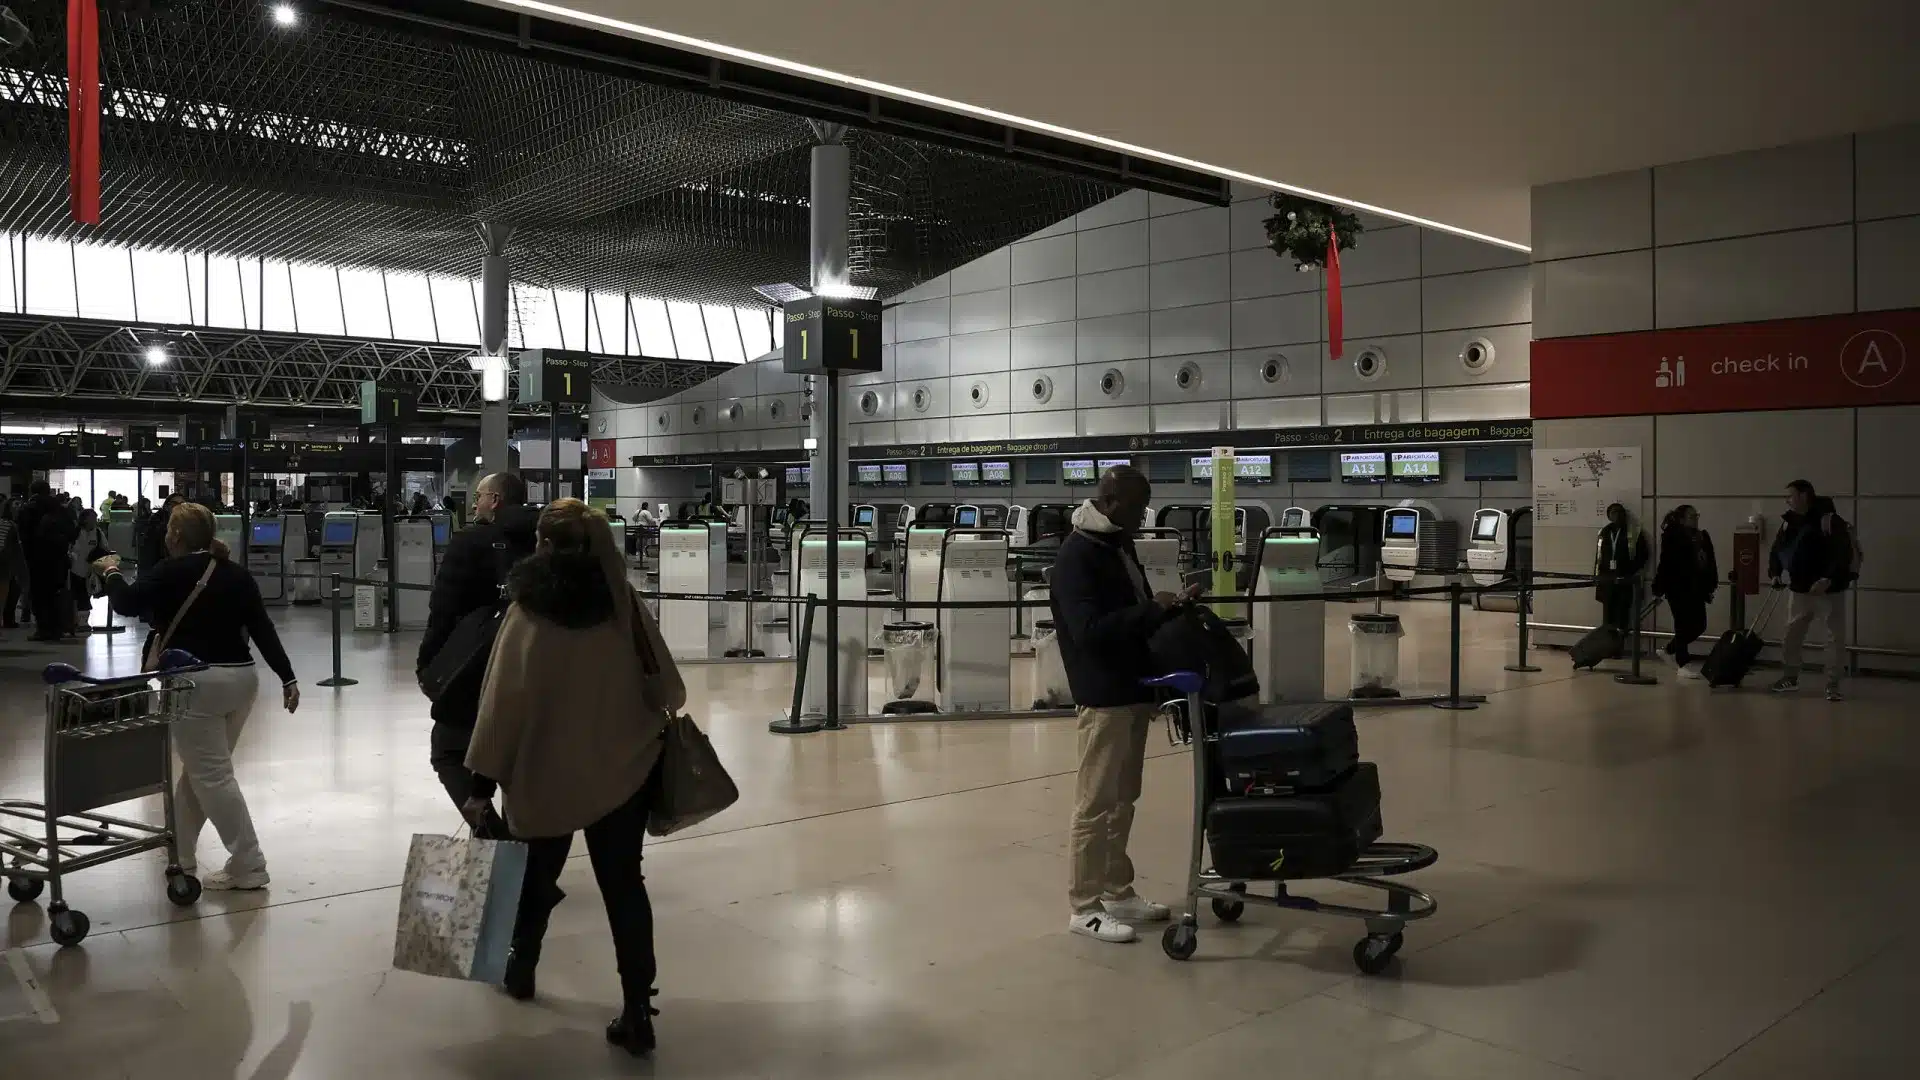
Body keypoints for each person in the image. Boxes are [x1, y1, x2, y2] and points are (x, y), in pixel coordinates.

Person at [463, 499, 681, 1055]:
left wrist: (479, 787)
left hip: (545, 776)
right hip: (622, 774)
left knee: (536, 877)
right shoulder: (622, 605)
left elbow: (500, 706)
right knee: (624, 888)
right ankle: (637, 1011)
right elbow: (670, 690)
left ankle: (522, 965)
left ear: (541, 545)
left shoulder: (527, 611)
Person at [97, 502, 299, 890]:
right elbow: (262, 629)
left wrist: (109, 572)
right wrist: (287, 677)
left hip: (195, 684)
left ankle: (249, 862)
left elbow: (125, 603)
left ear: (174, 535)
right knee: (202, 773)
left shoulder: (169, 572)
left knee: (212, 775)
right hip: (241, 681)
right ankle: (182, 855)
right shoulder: (236, 574)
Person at [1049, 466, 1199, 943]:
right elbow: (1089, 632)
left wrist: (1168, 609)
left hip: (1133, 689)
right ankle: (1084, 904)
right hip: (1104, 695)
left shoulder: (1118, 544)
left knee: (1123, 799)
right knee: (1094, 803)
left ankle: (1117, 889)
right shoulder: (1078, 556)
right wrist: (1152, 609)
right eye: (1137, 505)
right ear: (1110, 502)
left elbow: (1135, 611)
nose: (1143, 514)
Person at [416, 472, 538, 830]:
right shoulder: (541, 543)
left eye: (480, 495)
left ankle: (495, 840)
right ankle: (526, 854)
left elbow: (443, 610)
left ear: (496, 500)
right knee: (518, 759)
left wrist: (428, 664)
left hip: (474, 668)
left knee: (450, 751)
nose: (474, 502)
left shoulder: (470, 542)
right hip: (531, 666)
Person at [1767, 479, 1854, 702]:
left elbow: (1842, 552)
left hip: (1829, 590)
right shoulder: (1789, 522)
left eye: (1790, 495)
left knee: (1833, 637)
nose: (1787, 500)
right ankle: (1790, 677)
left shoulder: (1829, 521)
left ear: (1804, 496)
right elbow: (1778, 548)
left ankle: (1832, 684)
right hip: (1800, 589)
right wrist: (1775, 572)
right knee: (1792, 634)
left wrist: (1828, 578)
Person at [1651, 505, 1717, 676]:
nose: (1695, 519)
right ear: (1681, 519)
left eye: (1696, 515)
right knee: (1683, 625)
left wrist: (1710, 586)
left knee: (1700, 625)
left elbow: (1710, 563)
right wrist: (1658, 588)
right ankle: (1682, 662)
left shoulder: (1702, 536)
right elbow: (1666, 564)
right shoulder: (1673, 537)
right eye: (1691, 516)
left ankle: (1669, 650)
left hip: (1697, 588)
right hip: (1678, 588)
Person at [20, 481, 76, 641]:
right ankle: (59, 627)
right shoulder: (61, 509)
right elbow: (72, 532)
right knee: (57, 592)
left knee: (39, 594)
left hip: (37, 559)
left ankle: (44, 629)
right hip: (59, 558)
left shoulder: (29, 508)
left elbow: (23, 535)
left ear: (32, 491)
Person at [1594, 502, 1649, 634]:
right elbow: (1599, 558)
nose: (1617, 515)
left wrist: (1630, 571)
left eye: (1620, 512)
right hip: (1607, 580)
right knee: (1608, 616)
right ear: (1609, 516)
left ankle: (1618, 646)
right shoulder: (1604, 532)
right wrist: (1597, 580)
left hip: (1625, 579)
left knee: (1622, 614)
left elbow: (1643, 555)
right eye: (1613, 512)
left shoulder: (1634, 532)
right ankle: (1608, 646)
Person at [70, 509, 107, 621]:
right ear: (85, 519)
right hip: (74, 570)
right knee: (75, 595)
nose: (94, 521)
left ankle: (83, 621)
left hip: (90, 571)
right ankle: (75, 619)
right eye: (92, 518)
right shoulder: (75, 532)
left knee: (86, 595)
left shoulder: (98, 533)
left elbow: (105, 548)